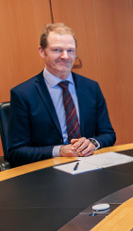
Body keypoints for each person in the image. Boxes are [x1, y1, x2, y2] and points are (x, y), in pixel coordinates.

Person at [7, 23, 116, 166]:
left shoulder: (91, 88)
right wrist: (59, 151)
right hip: (46, 172)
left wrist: (92, 143)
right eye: (57, 50)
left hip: (89, 166)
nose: (65, 56)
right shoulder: (23, 94)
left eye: (70, 50)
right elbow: (16, 151)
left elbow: (108, 134)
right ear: (42, 51)